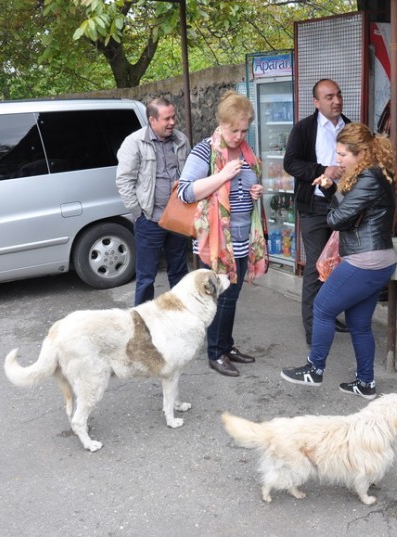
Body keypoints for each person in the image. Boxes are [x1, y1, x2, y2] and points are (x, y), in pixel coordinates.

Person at [280, 123, 397, 399]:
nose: (338, 160)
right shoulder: (376, 174)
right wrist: (333, 188)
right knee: (359, 324)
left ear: (361, 154)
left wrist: (331, 193)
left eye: (343, 154)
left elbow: (336, 219)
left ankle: (314, 369)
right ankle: (366, 383)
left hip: (365, 260)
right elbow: (350, 212)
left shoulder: (369, 177)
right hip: (377, 259)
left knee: (322, 307)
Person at [176, 91, 266, 377]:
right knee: (220, 298)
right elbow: (185, 192)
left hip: (241, 237)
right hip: (215, 241)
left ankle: (227, 346)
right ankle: (215, 353)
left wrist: (254, 193)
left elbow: (243, 191)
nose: (239, 135)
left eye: (244, 129)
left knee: (233, 295)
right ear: (220, 123)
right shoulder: (205, 151)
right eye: (234, 129)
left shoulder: (247, 152)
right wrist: (224, 174)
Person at [283, 79, 352, 345]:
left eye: (338, 95)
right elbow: (291, 163)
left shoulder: (351, 128)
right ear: (316, 102)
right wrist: (323, 170)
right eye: (329, 97)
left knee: (339, 265)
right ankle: (313, 329)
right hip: (314, 206)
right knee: (316, 264)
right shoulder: (303, 129)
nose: (336, 101)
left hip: (345, 205)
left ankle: (329, 314)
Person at [116, 97, 190, 306]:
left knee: (179, 272)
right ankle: (141, 322)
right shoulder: (135, 143)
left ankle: (180, 316)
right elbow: (124, 180)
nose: (172, 122)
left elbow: (191, 174)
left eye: (173, 117)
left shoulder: (181, 140)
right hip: (149, 219)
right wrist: (138, 213)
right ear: (152, 120)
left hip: (177, 218)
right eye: (167, 118)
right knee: (146, 277)